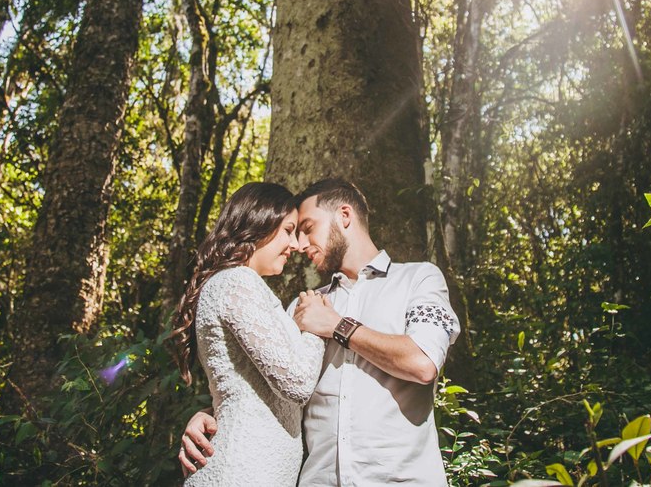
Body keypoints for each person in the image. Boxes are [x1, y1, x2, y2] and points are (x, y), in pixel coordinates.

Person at [180, 178, 460, 486]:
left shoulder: (419, 280)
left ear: (344, 216)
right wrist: (212, 414)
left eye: (308, 228)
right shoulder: (301, 307)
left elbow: (423, 363)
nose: (300, 245)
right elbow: (272, 388)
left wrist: (338, 326)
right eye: (293, 232)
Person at [171, 181, 325, 487]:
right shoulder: (237, 281)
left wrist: (207, 411)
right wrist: (314, 326)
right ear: (259, 221)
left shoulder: (239, 284)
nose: (295, 245)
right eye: (288, 230)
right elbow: (297, 383)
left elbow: (248, 387)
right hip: (239, 470)